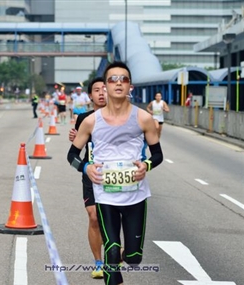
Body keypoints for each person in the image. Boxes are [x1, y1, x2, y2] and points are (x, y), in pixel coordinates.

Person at [67, 61, 163, 285]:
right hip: (105, 195)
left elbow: (158, 155)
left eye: (124, 79)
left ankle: (121, 260)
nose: (118, 83)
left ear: (131, 86)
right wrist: (85, 167)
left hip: (135, 195)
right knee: (111, 251)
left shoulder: (143, 118)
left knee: (133, 257)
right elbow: (71, 156)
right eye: (113, 79)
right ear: (105, 86)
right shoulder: (90, 121)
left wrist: (146, 165)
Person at [69, 77, 107, 279]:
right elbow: (73, 154)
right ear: (90, 96)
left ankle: (116, 253)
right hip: (92, 176)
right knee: (94, 217)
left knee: (112, 220)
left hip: (116, 177)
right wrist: (84, 168)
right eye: (96, 90)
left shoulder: (124, 118)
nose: (101, 93)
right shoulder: (84, 118)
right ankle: (99, 262)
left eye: (105, 89)